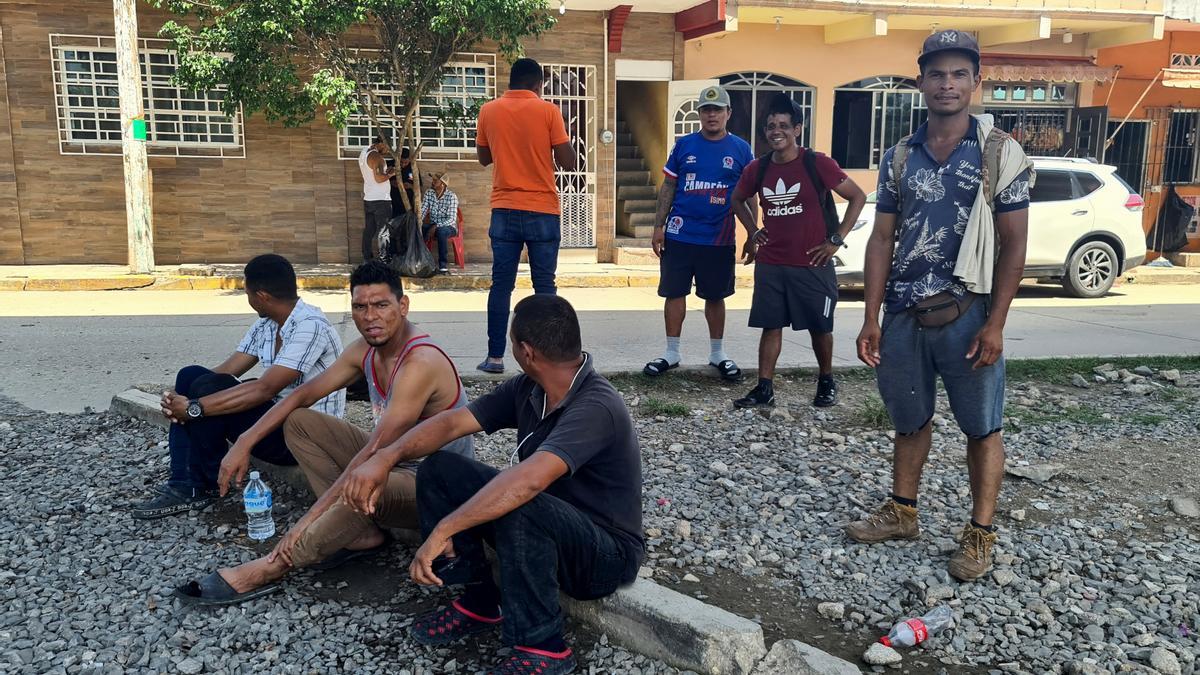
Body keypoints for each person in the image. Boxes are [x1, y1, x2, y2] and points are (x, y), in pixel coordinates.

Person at [339, 295, 642, 675]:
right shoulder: (530, 388)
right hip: (546, 531)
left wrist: (446, 528)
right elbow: (451, 424)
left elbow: (529, 482)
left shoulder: (596, 406)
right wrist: (386, 456)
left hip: (604, 556)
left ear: (525, 351)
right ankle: (481, 601)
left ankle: (544, 648)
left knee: (520, 499)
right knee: (442, 468)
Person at [172, 261, 474, 605]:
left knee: (362, 482)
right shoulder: (366, 349)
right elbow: (302, 394)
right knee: (300, 420)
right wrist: (245, 440)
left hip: (435, 484)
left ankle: (273, 566)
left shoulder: (419, 362)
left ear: (402, 307)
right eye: (360, 307)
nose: (370, 317)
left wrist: (304, 524)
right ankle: (360, 536)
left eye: (381, 305)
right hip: (393, 463)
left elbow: (375, 450)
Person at [846, 29, 1034, 582]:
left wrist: (997, 322)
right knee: (909, 420)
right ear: (921, 81)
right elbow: (881, 239)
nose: (947, 84)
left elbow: (1015, 243)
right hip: (905, 314)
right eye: (936, 73)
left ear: (976, 81)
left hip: (968, 314)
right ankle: (903, 512)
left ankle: (980, 535)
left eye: (958, 73)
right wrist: (871, 316)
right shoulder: (901, 155)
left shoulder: (1000, 151)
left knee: (982, 427)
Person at [131, 254, 345, 519]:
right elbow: (225, 371)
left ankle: (195, 486)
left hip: (303, 436)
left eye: (247, 293)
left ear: (262, 295)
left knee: (207, 395)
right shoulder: (266, 324)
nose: (248, 299)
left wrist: (195, 408)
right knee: (191, 376)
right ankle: (188, 483)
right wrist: (179, 397)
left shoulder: (310, 327)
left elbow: (265, 388)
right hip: (272, 422)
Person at [730, 94, 866, 408]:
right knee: (771, 325)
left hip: (813, 262)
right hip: (772, 262)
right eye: (770, 126)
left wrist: (836, 239)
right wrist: (753, 231)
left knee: (820, 327)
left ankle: (826, 381)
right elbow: (737, 199)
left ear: (798, 129)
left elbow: (857, 197)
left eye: (784, 126)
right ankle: (764, 387)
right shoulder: (758, 168)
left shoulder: (816, 163)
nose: (776, 131)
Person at [642, 85, 753, 383]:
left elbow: (748, 194)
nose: (712, 115)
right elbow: (669, 187)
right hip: (680, 234)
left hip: (719, 238)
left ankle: (718, 353)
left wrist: (753, 233)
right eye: (706, 109)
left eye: (717, 110)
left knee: (715, 296)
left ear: (728, 113)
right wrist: (658, 227)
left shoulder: (742, 150)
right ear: (700, 114)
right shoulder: (684, 145)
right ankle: (671, 352)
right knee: (674, 292)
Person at [475, 57, 576, 374]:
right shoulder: (548, 111)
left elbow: (483, 157)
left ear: (511, 80)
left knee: (501, 286)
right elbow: (568, 162)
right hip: (542, 210)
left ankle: (494, 358)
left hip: (504, 209)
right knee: (545, 287)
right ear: (538, 84)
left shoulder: (488, 111)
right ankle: (547, 358)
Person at [360, 135, 395, 262]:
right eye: (387, 147)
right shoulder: (377, 157)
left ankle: (366, 258)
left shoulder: (364, 152)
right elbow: (379, 178)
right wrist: (391, 173)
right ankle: (384, 260)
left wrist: (386, 172)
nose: (387, 151)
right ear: (381, 143)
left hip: (369, 198)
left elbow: (372, 174)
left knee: (369, 229)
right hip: (381, 199)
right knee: (383, 231)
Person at [421, 171, 460, 274]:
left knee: (441, 232)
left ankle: (443, 265)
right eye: (432, 180)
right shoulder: (429, 193)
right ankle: (420, 260)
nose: (432, 182)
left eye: (435, 180)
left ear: (443, 183)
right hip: (433, 224)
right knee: (418, 228)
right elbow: (423, 210)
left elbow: (451, 219)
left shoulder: (451, 196)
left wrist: (436, 227)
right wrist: (417, 222)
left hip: (448, 227)